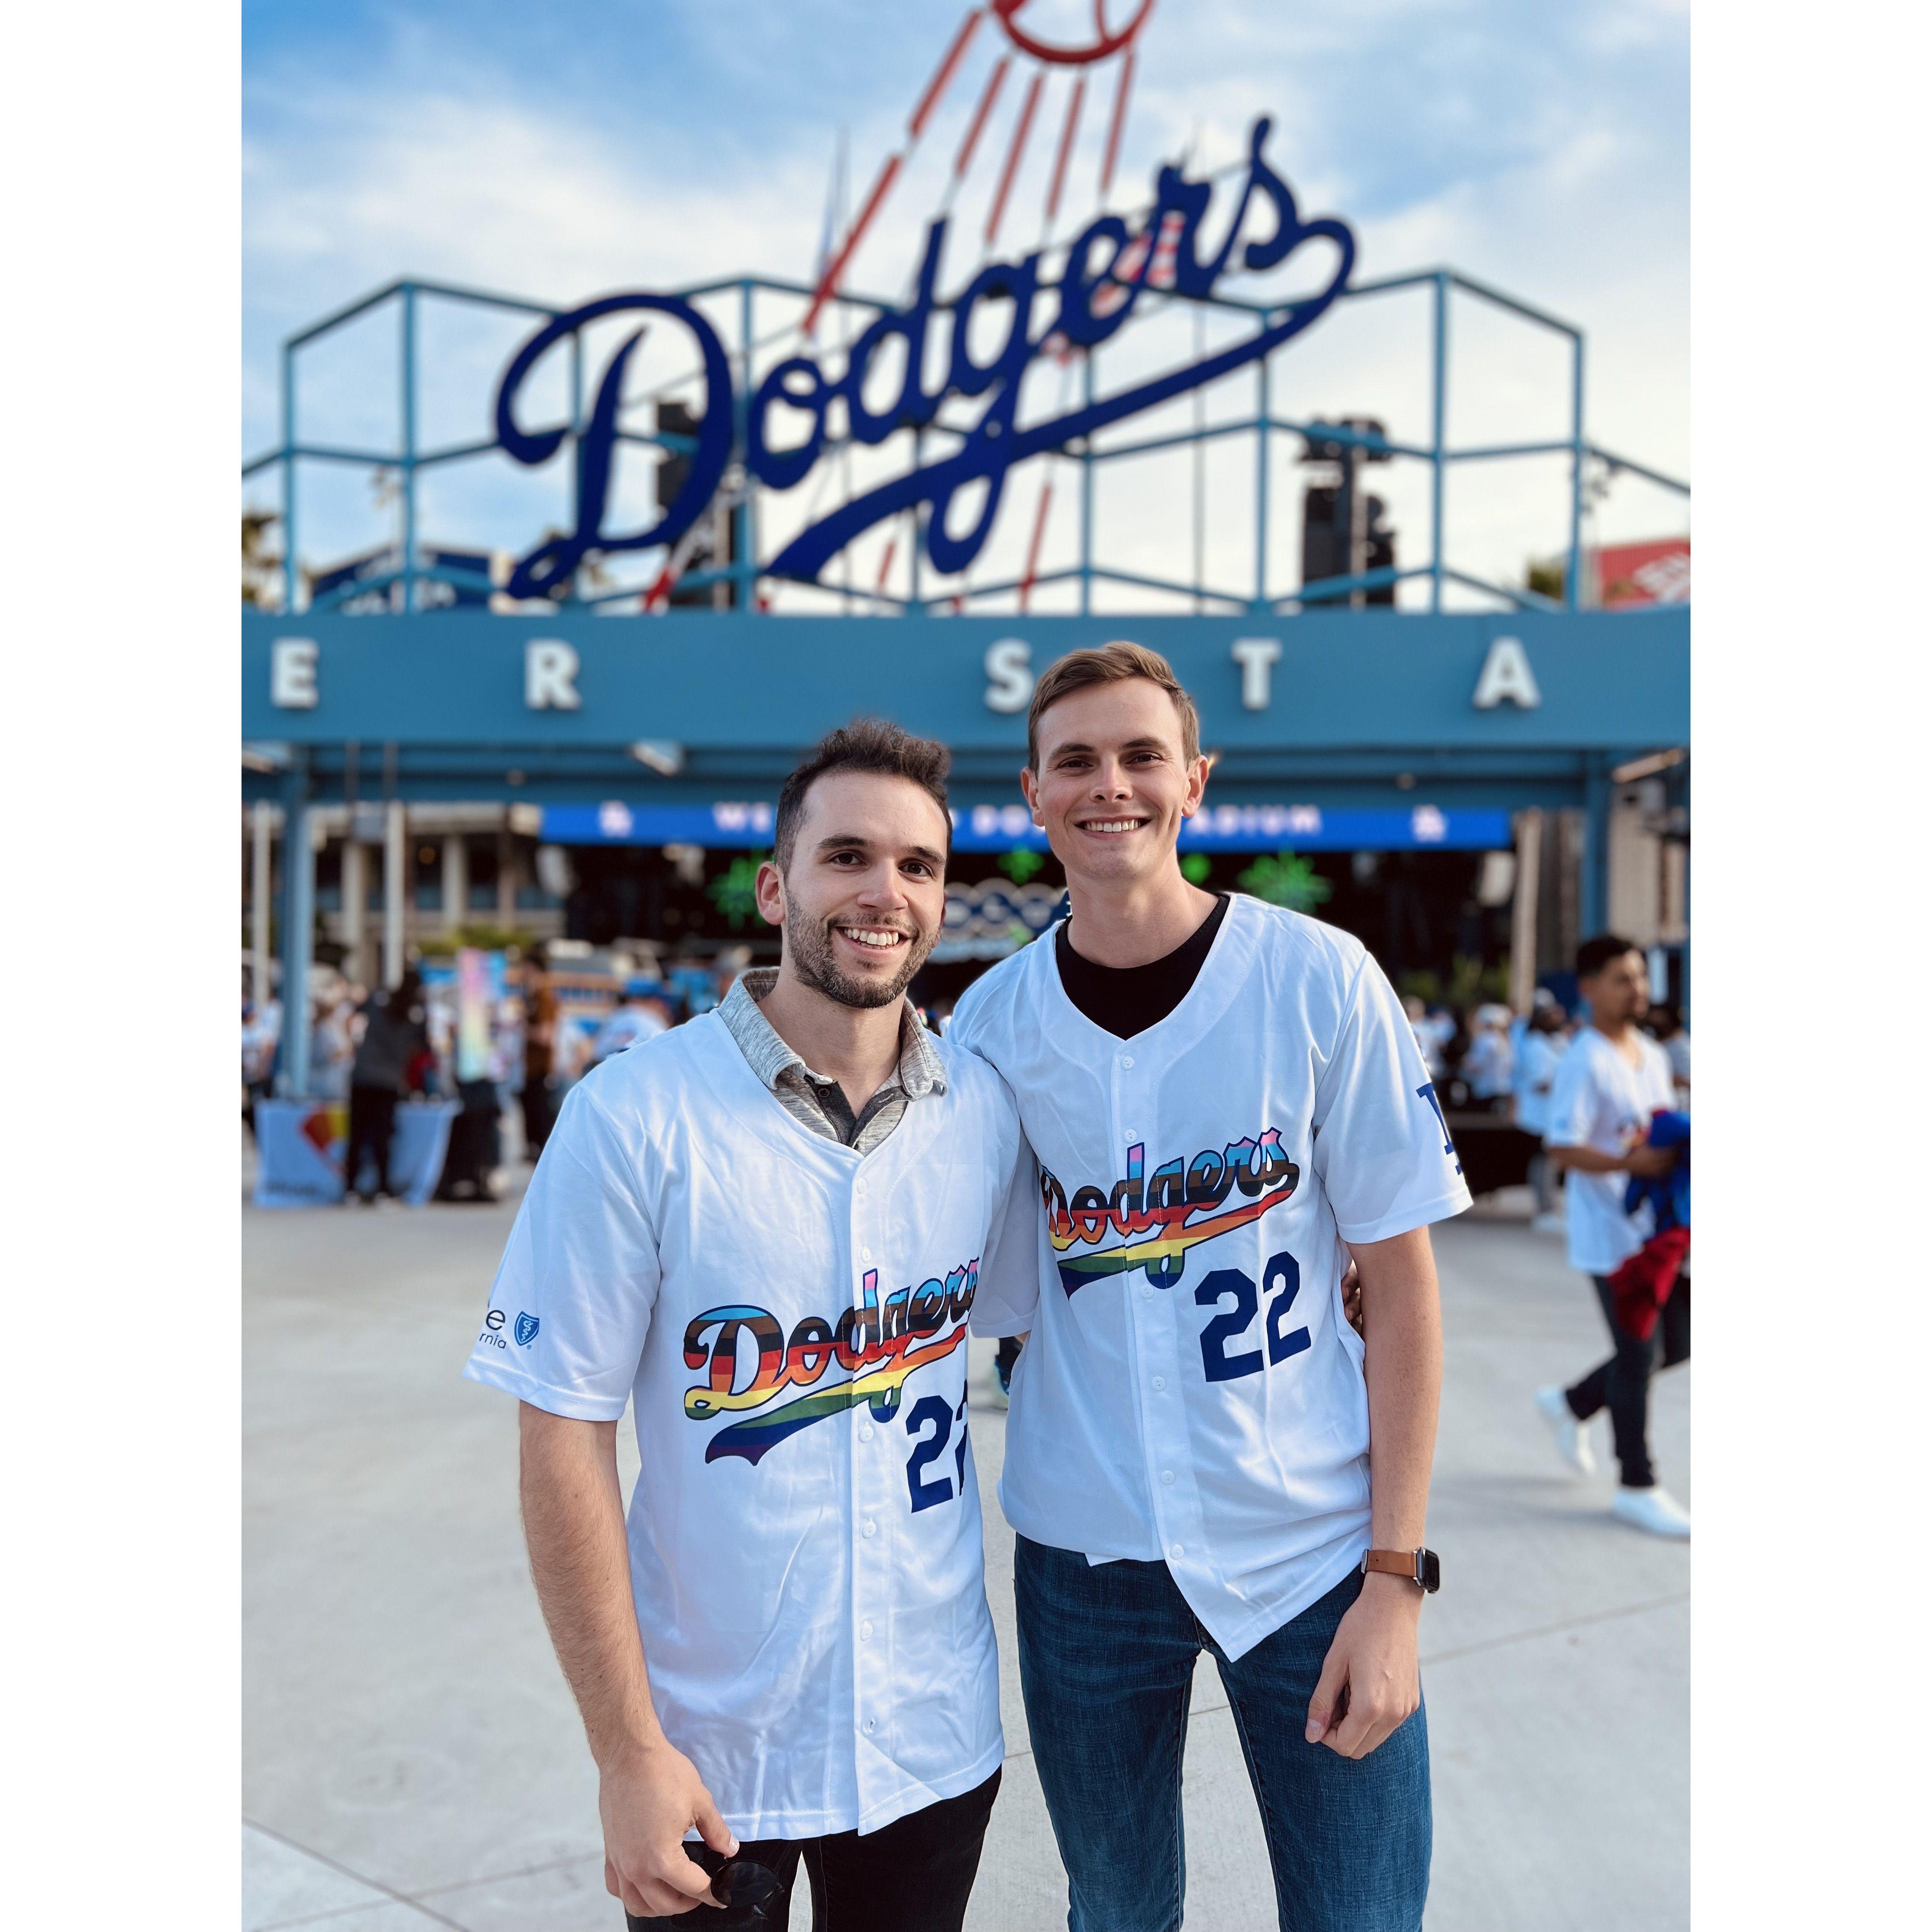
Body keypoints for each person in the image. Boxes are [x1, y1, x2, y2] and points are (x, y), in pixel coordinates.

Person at [464, 721, 1026, 1932]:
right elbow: (562, 1433)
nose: (885, 894)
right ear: (777, 888)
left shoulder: (982, 1111)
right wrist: (625, 1751)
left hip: (932, 1741)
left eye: (919, 866)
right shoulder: (634, 1113)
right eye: (847, 857)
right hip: (707, 1754)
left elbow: (1077, 1302)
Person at [949, 643, 1467, 1932]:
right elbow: (988, 1293)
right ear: (1032, 794)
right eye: (1076, 760)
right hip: (1085, 1552)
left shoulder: (1320, 976)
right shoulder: (990, 1027)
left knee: (1360, 1916)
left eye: (1142, 755)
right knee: (1117, 1913)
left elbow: (1404, 1291)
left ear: (1196, 780)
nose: (1110, 784)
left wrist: (1395, 1579)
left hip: (1314, 1546)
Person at [1533, 935, 1690, 1538]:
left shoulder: (1650, 1053)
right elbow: (1562, 1146)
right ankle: (1637, 1484)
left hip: (1657, 1231)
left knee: (1680, 1340)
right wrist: (1630, 1164)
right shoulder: (1584, 1059)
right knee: (1639, 1352)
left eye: (1641, 977)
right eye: (1624, 978)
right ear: (1590, 988)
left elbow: (1656, 1130)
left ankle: (1572, 1404)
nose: (1638, 989)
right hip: (1609, 1234)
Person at [344, 969, 427, 1204]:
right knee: (383, 1137)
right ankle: (383, 1189)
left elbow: (353, 1014)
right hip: (389, 1079)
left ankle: (350, 1189)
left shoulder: (379, 999)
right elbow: (420, 1048)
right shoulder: (416, 1013)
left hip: (363, 1074)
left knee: (357, 1135)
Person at [1514, 1001, 1570, 1231]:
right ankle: (1544, 1211)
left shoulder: (1553, 1042)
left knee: (1550, 1164)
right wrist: (1567, 1083)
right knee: (1543, 1163)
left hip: (1551, 1115)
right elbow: (1539, 1083)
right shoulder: (1535, 1045)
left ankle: (1550, 1208)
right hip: (1538, 1116)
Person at [589, 978, 676, 1067]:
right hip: (640, 1070)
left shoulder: (614, 1019)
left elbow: (596, 1055)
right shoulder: (653, 1022)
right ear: (655, 1001)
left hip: (602, 1069)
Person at [1459, 1003, 1514, 1110]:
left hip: (1485, 1090)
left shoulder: (1484, 1039)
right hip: (1502, 1088)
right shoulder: (1506, 1040)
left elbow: (1476, 1065)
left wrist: (1465, 1061)